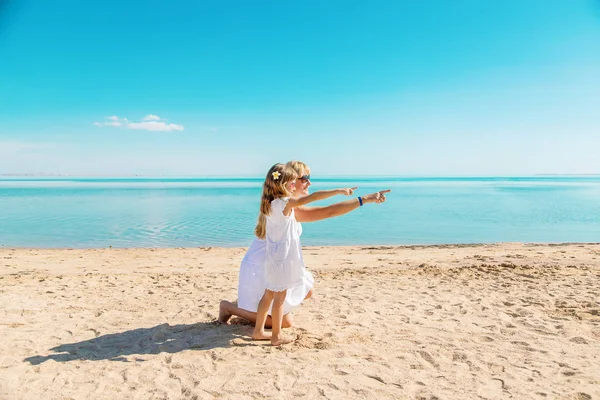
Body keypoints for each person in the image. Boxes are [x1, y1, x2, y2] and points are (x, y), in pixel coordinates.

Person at [218, 160, 389, 328]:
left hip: (270, 264)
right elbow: (329, 211)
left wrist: (363, 198)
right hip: (261, 268)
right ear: (290, 181)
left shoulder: (279, 204)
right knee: (285, 323)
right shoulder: (287, 207)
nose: (309, 182)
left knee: (306, 290)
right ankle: (229, 308)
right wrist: (365, 199)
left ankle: (256, 308)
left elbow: (324, 206)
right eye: (304, 178)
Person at [250, 163, 359, 345]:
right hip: (283, 260)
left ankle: (258, 331)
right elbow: (315, 197)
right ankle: (276, 337)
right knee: (280, 298)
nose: (295, 186)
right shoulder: (286, 203)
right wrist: (339, 191)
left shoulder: (269, 204)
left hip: (272, 259)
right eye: (293, 183)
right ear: (283, 184)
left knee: (268, 295)